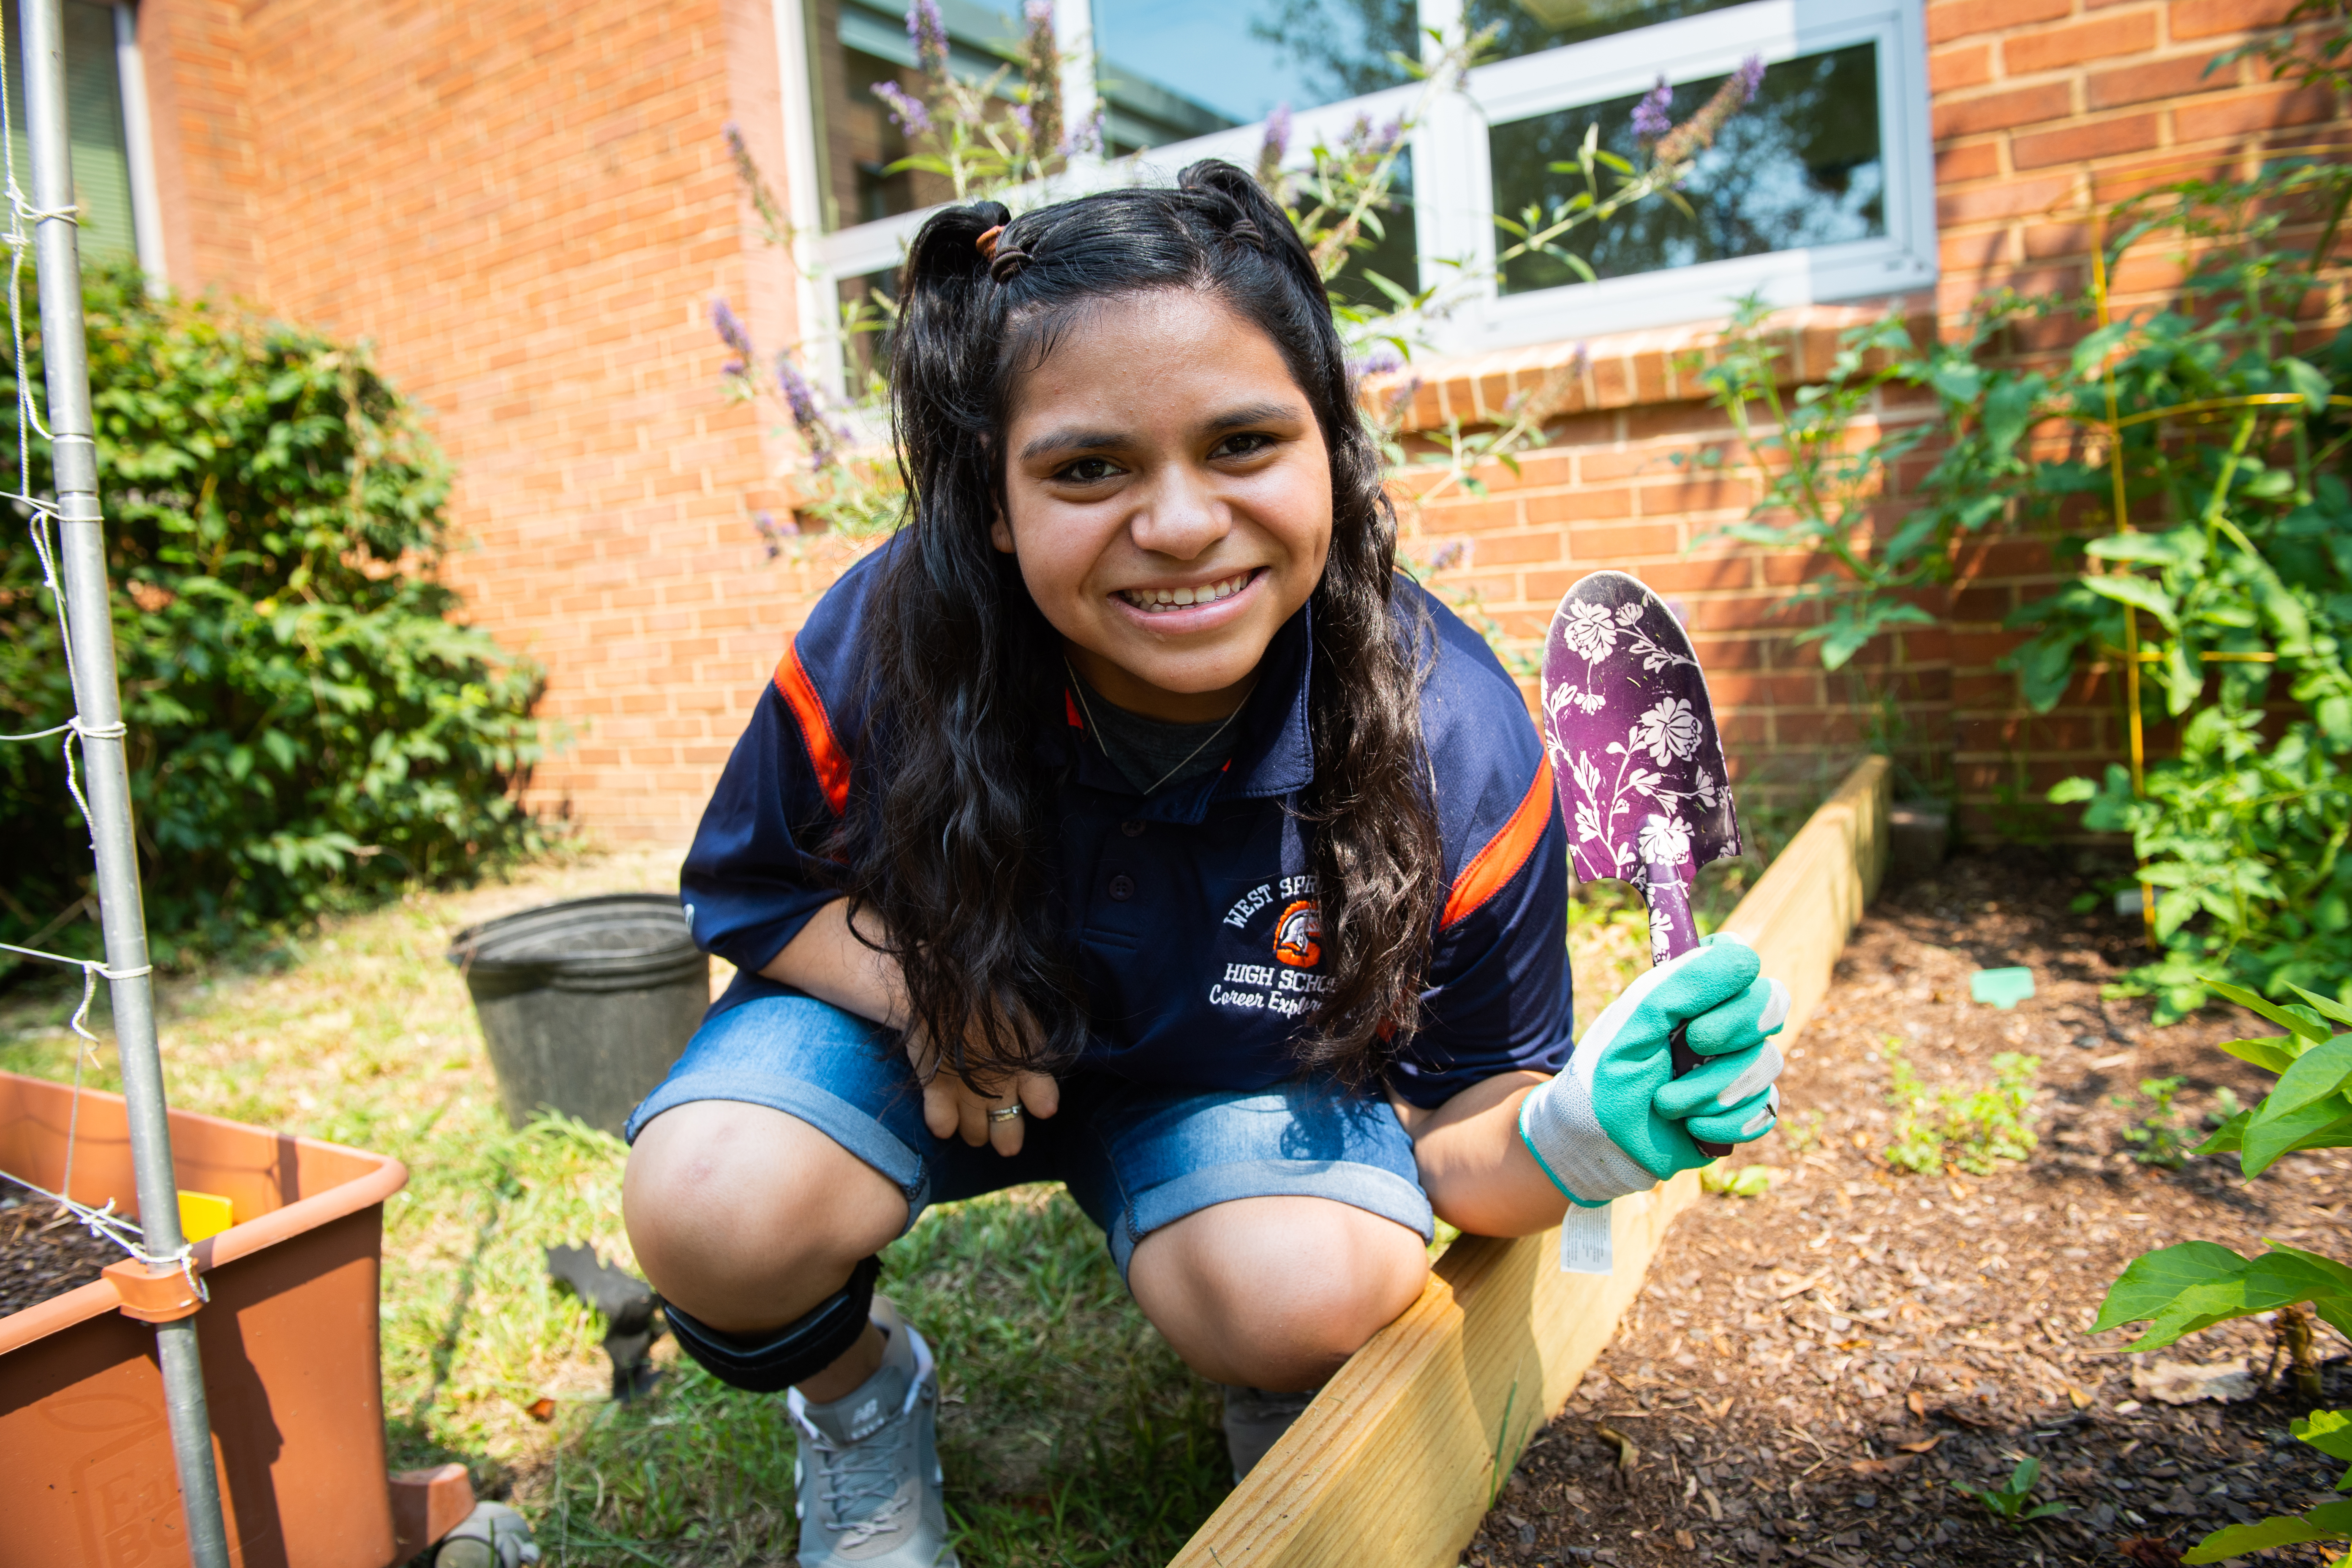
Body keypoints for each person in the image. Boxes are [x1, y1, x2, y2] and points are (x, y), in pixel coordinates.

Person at [621, 160, 1788, 1568]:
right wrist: (935, 994)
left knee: (1315, 1285)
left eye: (1242, 444)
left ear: (1332, 451)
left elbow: (1469, 1125)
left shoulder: (1457, 740)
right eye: (1087, 468)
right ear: (993, 505)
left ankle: (1289, 1430)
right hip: (940, 1058)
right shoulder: (892, 637)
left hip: (1237, 1090)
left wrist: (1579, 1133)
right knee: (712, 1203)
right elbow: (758, 890)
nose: (1177, 524)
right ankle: (862, 1405)